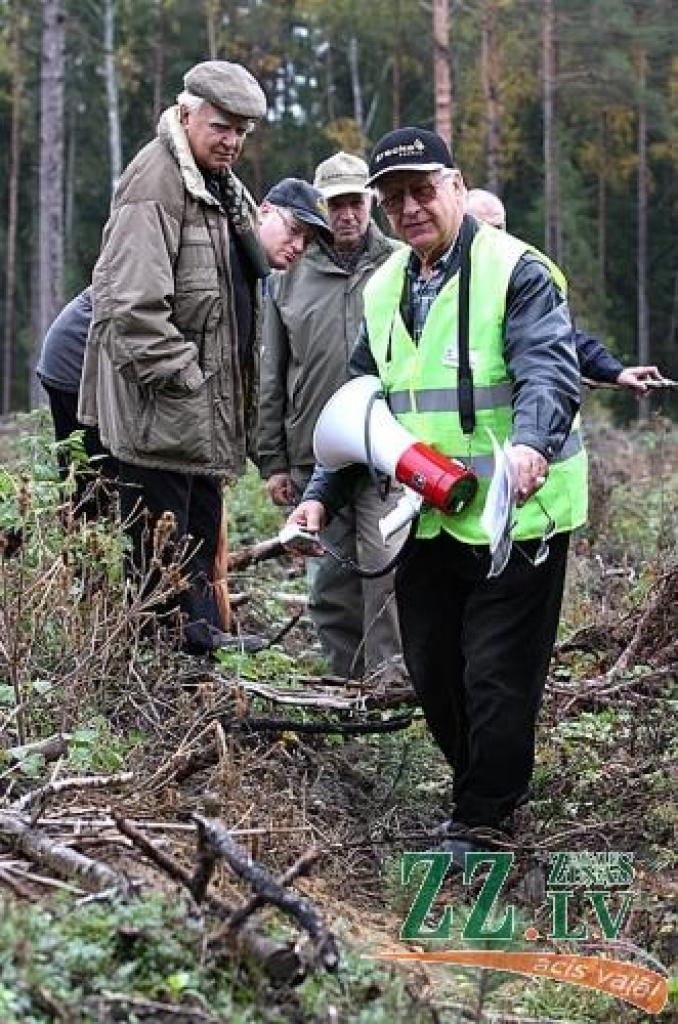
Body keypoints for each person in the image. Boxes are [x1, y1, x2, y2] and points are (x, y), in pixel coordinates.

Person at [290, 127, 588, 862]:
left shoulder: (515, 269)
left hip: (520, 514)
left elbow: (550, 368)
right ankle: (485, 790)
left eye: (424, 191)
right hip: (429, 515)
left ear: (455, 186)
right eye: (395, 199)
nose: (411, 209)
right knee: (431, 667)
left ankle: (483, 823)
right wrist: (322, 493)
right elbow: (365, 407)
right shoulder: (388, 284)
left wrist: (531, 442)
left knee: (495, 673)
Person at [78, 60, 331, 656]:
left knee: (193, 556)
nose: (233, 142)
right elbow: (132, 306)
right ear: (186, 112)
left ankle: (203, 665)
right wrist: (188, 382)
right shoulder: (155, 181)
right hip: (162, 422)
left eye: (243, 132)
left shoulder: (216, 184)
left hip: (196, 425)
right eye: (222, 126)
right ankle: (162, 694)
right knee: (160, 567)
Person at [37, 180, 329, 521]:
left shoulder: (252, 267)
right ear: (264, 211)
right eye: (294, 230)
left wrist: (271, 464)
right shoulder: (226, 247)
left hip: (133, 365)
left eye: (307, 241)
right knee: (96, 500)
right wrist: (196, 391)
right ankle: (93, 569)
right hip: (79, 358)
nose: (297, 245)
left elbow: (235, 379)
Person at [258, 152, 403, 678]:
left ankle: (391, 691)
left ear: (370, 203)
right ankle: (344, 687)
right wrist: (273, 459)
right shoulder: (287, 276)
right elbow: (271, 370)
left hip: (385, 451)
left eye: (356, 202)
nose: (347, 214)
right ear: (323, 207)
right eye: (336, 203)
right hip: (312, 455)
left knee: (386, 571)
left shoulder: (402, 263)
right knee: (328, 587)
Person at [466, 188, 666, 394]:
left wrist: (615, 372)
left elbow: (559, 336)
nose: (494, 238)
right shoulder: (437, 282)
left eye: (499, 228)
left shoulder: (520, 279)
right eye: (484, 229)